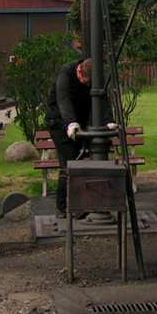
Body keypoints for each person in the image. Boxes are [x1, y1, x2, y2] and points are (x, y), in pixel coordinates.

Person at [44, 57, 115, 217]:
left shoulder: (92, 77)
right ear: (80, 72)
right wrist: (70, 123)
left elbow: (102, 96)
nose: (88, 86)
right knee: (70, 160)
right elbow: (64, 100)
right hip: (58, 122)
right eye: (86, 82)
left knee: (79, 159)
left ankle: (79, 204)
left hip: (79, 122)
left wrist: (109, 120)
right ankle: (65, 206)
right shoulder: (66, 74)